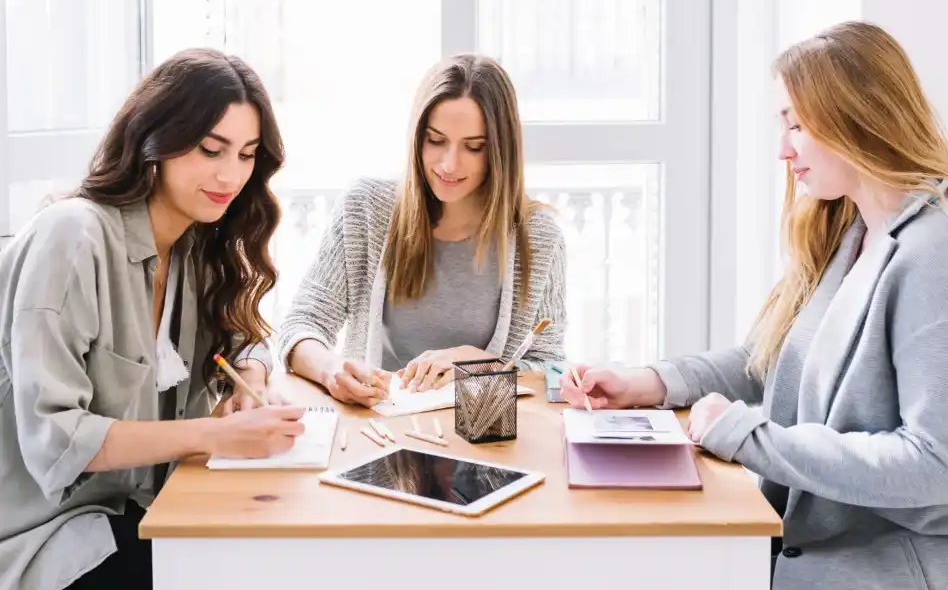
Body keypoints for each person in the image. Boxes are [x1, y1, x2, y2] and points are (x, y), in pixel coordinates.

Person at [561, 22, 948, 590]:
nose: (782, 147)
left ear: (854, 117)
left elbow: (939, 467)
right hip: (813, 553)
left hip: (906, 570)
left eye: (796, 123)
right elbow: (772, 361)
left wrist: (749, 436)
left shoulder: (946, 252)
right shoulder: (855, 231)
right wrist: (648, 382)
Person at [0, 50, 307, 590]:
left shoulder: (194, 246)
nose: (229, 174)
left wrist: (252, 380)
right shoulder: (73, 237)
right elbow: (58, 437)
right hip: (42, 532)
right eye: (211, 149)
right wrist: (216, 435)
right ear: (154, 139)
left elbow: (247, 340)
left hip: (141, 511)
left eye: (246, 155)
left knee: (280, 550)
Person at [276, 54, 567, 405]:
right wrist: (330, 370)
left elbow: (550, 368)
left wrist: (484, 366)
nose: (449, 164)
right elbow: (302, 324)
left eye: (474, 147)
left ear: (501, 151)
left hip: (483, 447)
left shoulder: (537, 237)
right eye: (435, 140)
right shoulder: (366, 208)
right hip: (378, 435)